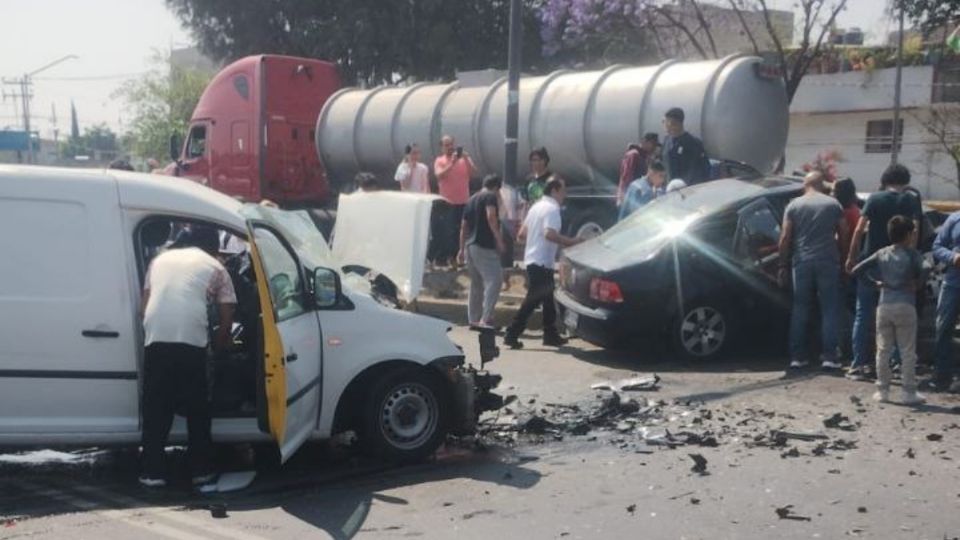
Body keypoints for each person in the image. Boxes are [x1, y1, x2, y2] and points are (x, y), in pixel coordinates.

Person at [139, 225, 237, 492]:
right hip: (191, 343)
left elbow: (144, 305)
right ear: (213, 248)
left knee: (156, 409)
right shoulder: (215, 266)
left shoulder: (158, 260)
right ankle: (201, 473)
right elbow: (227, 310)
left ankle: (152, 473)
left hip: (155, 340)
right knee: (197, 410)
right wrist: (220, 342)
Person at [844, 164, 923, 381]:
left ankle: (859, 364)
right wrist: (911, 258)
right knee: (900, 313)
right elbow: (914, 230)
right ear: (905, 180)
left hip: (872, 260)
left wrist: (851, 256)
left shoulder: (875, 198)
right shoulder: (910, 200)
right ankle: (897, 363)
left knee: (863, 314)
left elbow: (860, 229)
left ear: (884, 179)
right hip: (899, 263)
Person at [850, 216, 925, 404]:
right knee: (907, 350)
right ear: (908, 235)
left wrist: (874, 283)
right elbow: (927, 267)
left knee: (883, 349)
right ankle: (908, 392)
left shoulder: (881, 253)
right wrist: (918, 283)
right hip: (906, 305)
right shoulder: (912, 254)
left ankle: (882, 391)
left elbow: (857, 269)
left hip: (884, 305)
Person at [778, 172, 849, 371]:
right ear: (821, 185)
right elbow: (844, 233)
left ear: (805, 184)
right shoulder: (833, 205)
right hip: (828, 260)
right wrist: (845, 260)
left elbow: (784, 237)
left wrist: (783, 265)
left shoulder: (793, 205)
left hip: (801, 261)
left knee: (800, 309)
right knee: (829, 309)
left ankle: (797, 357)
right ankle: (829, 356)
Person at [503, 177, 582, 349]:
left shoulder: (536, 207)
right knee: (533, 300)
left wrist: (534, 241)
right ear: (554, 190)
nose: (565, 194)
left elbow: (522, 234)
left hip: (533, 259)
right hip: (541, 261)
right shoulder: (552, 209)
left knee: (547, 298)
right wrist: (572, 241)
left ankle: (550, 333)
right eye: (563, 190)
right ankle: (512, 332)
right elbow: (549, 234)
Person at [458, 174, 506, 329]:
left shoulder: (471, 199)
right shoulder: (490, 196)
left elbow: (464, 226)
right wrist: (499, 239)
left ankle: (473, 319)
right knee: (495, 280)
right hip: (484, 244)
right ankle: (487, 318)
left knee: (476, 283)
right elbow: (491, 216)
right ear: (496, 187)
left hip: (470, 246)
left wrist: (460, 249)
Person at [928, 209, 960, 392]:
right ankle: (942, 376)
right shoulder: (955, 219)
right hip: (953, 283)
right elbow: (937, 246)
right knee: (943, 328)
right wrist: (953, 257)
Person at [434, 135, 477, 267]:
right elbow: (439, 175)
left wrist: (466, 158)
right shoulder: (440, 160)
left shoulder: (464, 159)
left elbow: (474, 173)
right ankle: (447, 258)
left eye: (451, 144)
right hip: (447, 202)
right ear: (441, 147)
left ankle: (461, 256)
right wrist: (451, 163)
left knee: (463, 230)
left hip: (463, 200)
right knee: (448, 232)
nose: (450, 147)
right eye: (446, 145)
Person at [661, 108, 709, 185]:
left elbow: (701, 170)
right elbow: (663, 163)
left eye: (666, 122)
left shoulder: (693, 143)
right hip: (670, 188)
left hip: (688, 189)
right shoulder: (667, 141)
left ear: (675, 124)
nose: (664, 126)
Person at [617, 133, 660, 206]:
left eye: (656, 145)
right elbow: (627, 178)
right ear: (644, 142)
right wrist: (624, 197)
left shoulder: (644, 157)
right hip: (631, 197)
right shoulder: (634, 155)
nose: (654, 148)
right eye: (653, 144)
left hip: (638, 196)